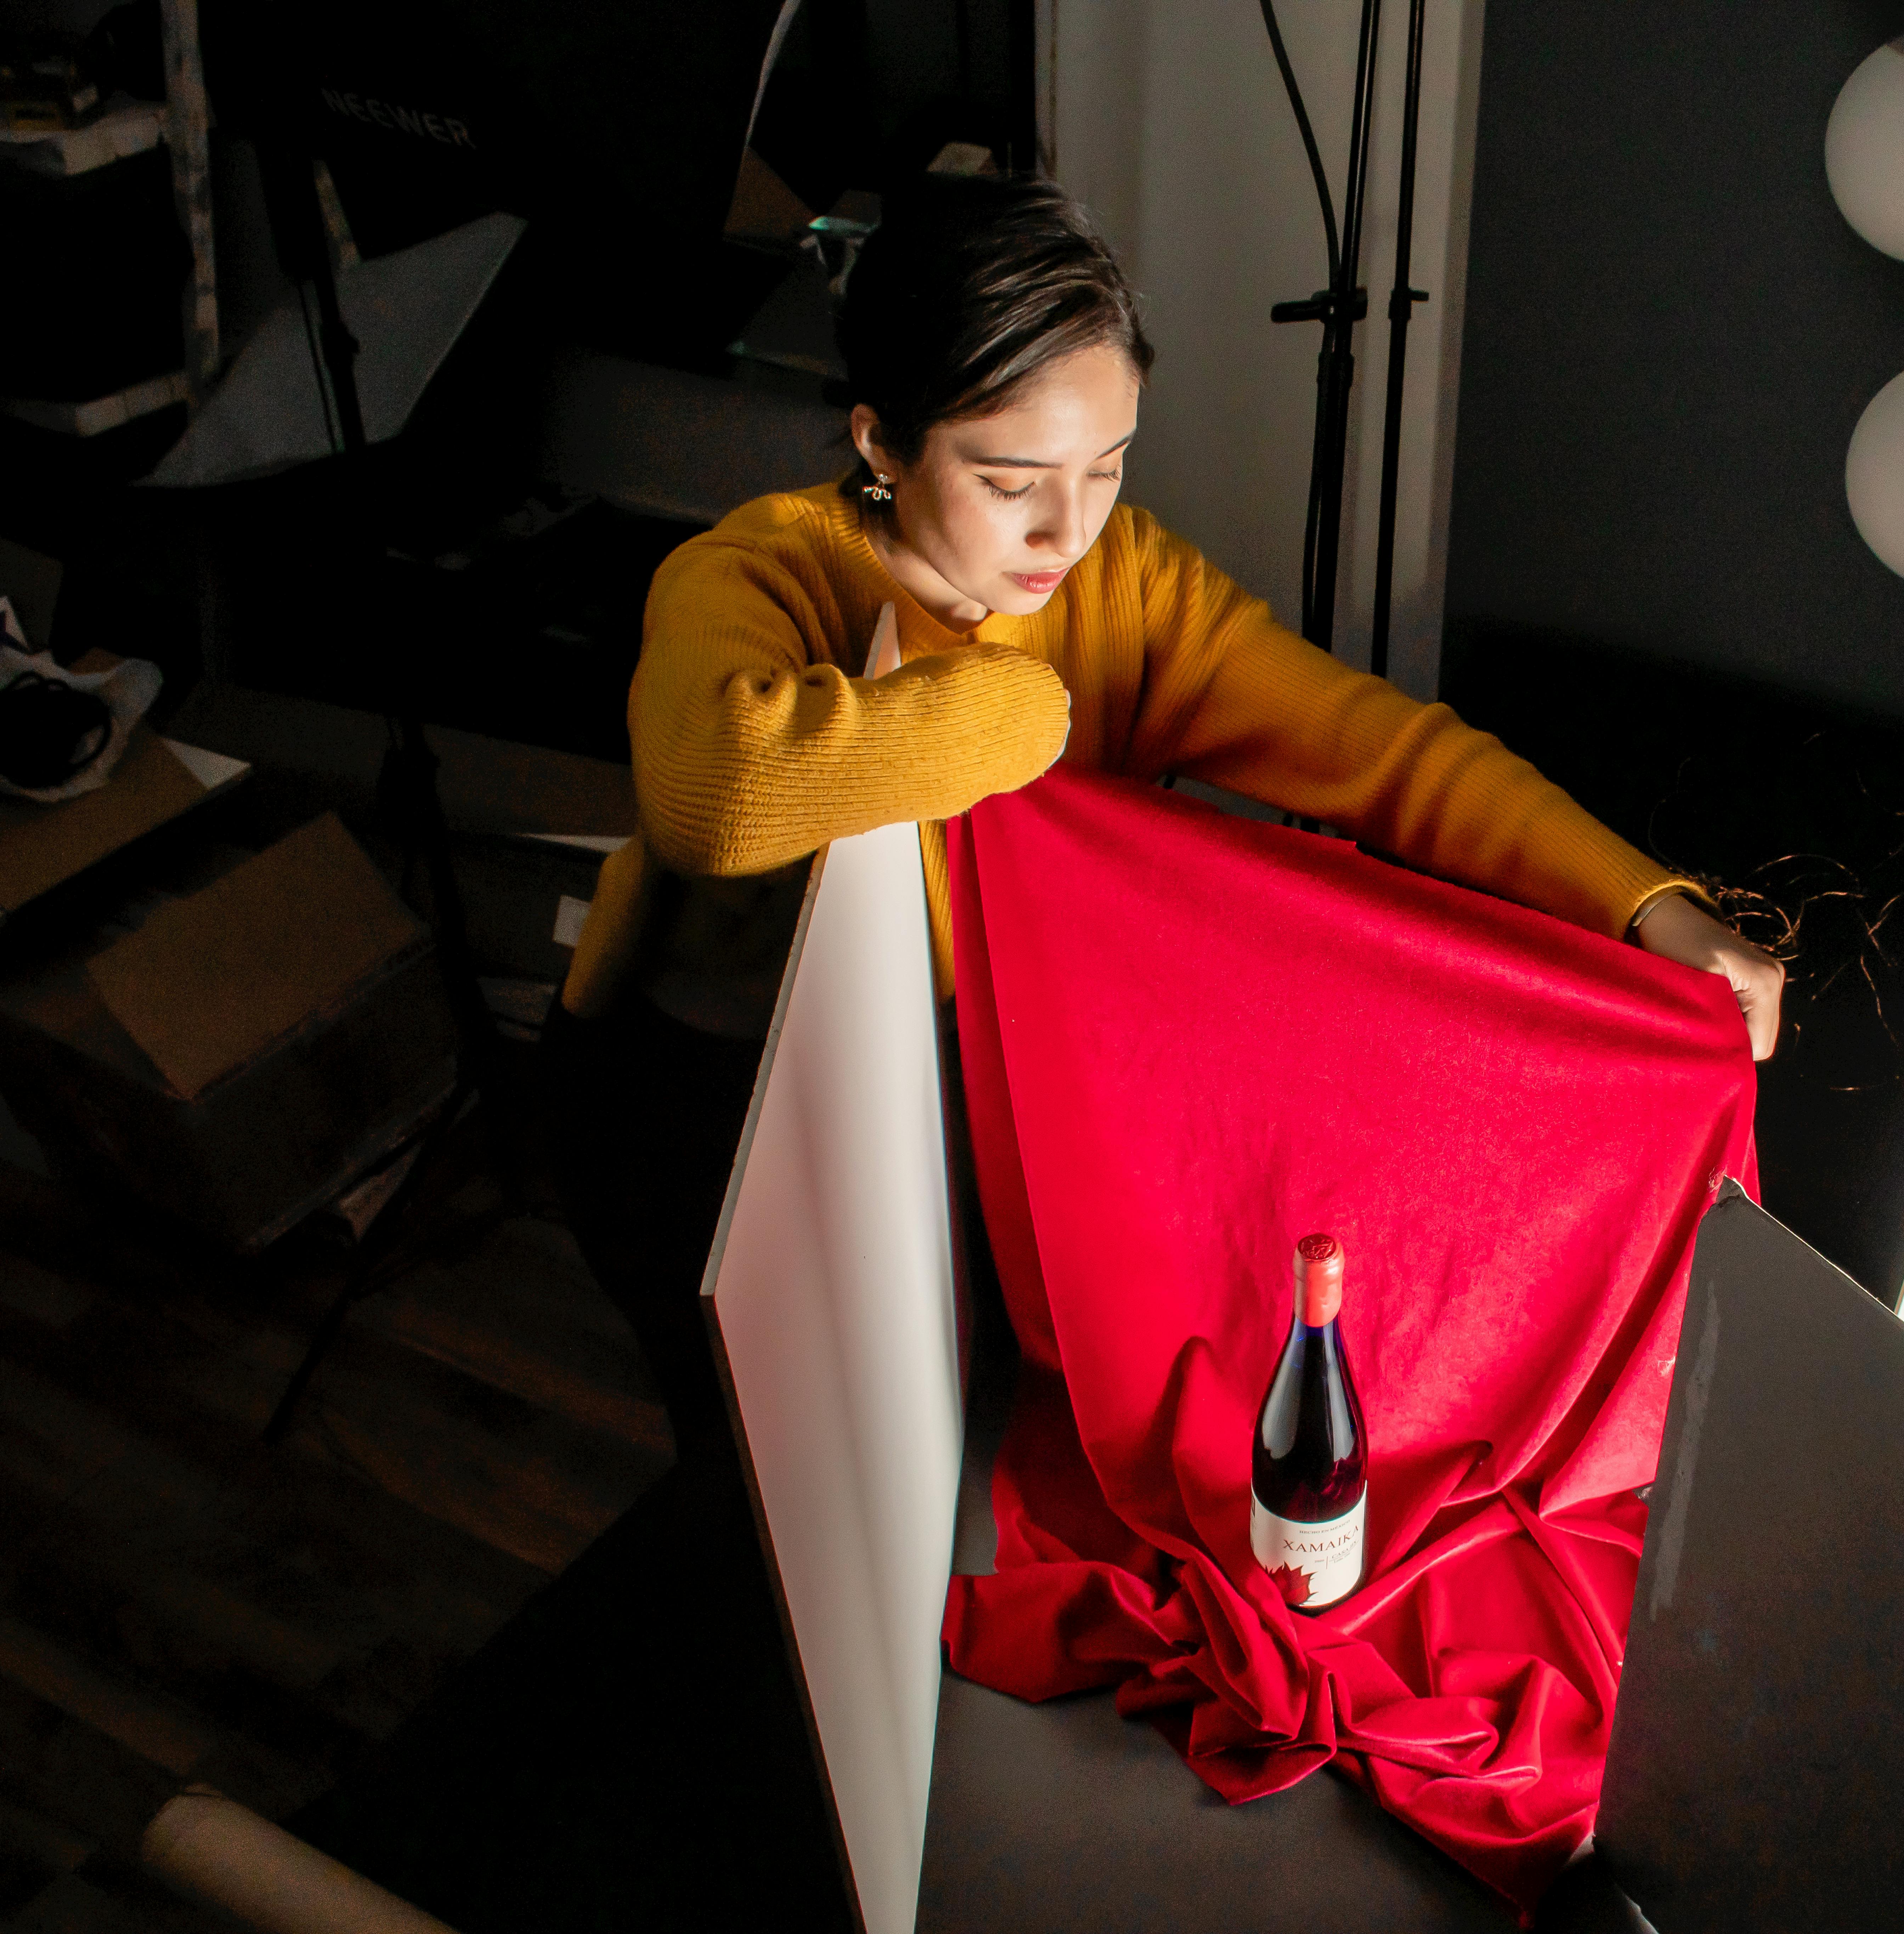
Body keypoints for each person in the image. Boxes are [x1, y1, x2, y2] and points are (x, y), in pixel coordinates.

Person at [544, 172, 1781, 1463]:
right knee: (757, 1486)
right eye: (1010, 476)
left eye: (1108, 466)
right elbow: (715, 797)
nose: (1066, 528)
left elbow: (1387, 755)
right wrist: (1020, 714)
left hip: (964, 1115)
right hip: (704, 1116)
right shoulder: (760, 569)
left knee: (947, 1474)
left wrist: (1653, 908)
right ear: (880, 444)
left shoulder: (1126, 581)